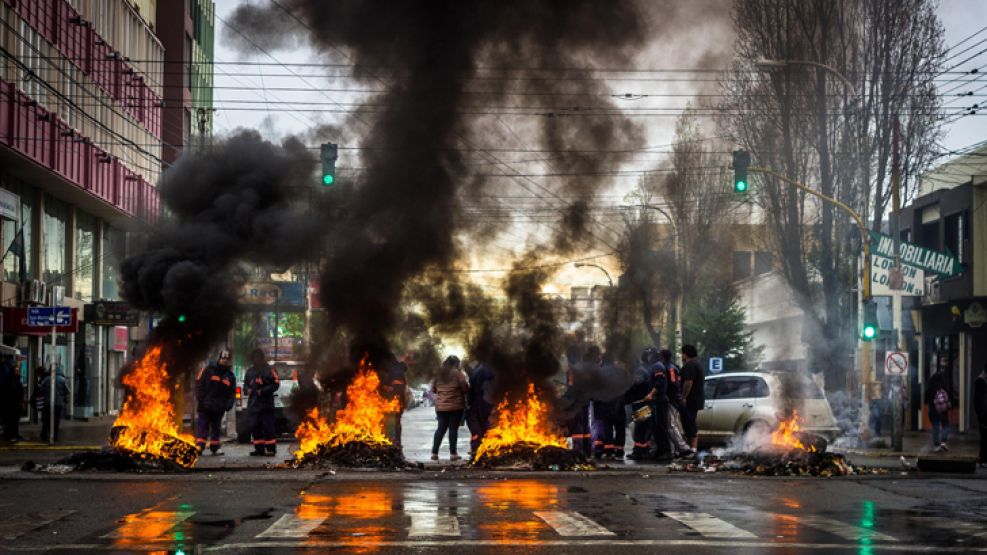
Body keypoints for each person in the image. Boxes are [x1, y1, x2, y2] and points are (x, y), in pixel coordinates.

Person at [194, 349, 236, 455]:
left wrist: (228, 404)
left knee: (216, 428)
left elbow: (232, 392)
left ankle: (215, 447)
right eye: (223, 358)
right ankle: (200, 447)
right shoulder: (208, 370)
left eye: (227, 359)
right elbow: (198, 384)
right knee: (202, 426)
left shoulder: (230, 376)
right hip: (205, 406)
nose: (224, 361)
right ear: (219, 358)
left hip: (219, 407)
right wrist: (201, 399)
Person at [430, 355, 469, 461]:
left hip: (441, 407)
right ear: (456, 363)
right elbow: (465, 388)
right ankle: (453, 454)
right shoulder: (458, 374)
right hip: (455, 406)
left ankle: (434, 453)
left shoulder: (438, 374)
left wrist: (442, 392)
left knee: (440, 429)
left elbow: (433, 389)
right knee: (453, 429)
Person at [244, 348, 280, 457]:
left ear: (262, 358)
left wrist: (263, 391)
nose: (256, 359)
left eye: (258, 357)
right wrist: (247, 390)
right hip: (253, 405)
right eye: (254, 357)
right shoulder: (249, 371)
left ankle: (271, 449)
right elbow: (245, 385)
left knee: (268, 427)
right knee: (255, 427)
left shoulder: (269, 370)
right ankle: (259, 449)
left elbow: (276, 383)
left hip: (266, 405)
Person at [660, 349, 693, 458]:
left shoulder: (670, 368)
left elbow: (674, 385)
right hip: (672, 400)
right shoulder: (671, 367)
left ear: (663, 357)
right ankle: (676, 450)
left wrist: (670, 398)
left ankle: (684, 449)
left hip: (672, 401)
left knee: (671, 425)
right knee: (670, 425)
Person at [626, 348, 656, 460]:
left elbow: (636, 384)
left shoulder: (639, 371)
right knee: (643, 428)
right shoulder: (642, 369)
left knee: (640, 428)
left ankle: (639, 452)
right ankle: (643, 450)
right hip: (642, 403)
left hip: (641, 404)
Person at [568, 346, 598, 457]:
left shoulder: (573, 370)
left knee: (577, 426)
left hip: (577, 402)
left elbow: (571, 388)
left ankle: (578, 450)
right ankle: (587, 450)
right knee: (586, 426)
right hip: (586, 400)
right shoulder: (587, 369)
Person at [646, 352, 672, 461]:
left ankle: (666, 451)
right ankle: (660, 451)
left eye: (649, 355)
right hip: (657, 402)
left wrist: (651, 394)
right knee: (657, 428)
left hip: (660, 401)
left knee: (661, 427)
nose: (648, 357)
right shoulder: (657, 366)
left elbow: (659, 382)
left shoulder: (657, 366)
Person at [466, 360, 495, 458]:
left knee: (477, 428)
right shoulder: (493, 370)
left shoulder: (477, 371)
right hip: (488, 403)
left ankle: (477, 450)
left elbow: (471, 389)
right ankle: (488, 450)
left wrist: (469, 403)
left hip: (477, 403)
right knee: (488, 427)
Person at [679, 344, 705, 451]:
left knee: (690, 424)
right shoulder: (697, 364)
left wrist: (684, 397)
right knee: (689, 423)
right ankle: (691, 448)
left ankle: (693, 449)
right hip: (696, 398)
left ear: (685, 354)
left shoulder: (690, 365)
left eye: (682, 353)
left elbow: (688, 382)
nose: (681, 356)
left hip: (691, 399)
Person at [925, 362, 952, 452]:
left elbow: (926, 399)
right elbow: (948, 397)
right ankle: (943, 441)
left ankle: (936, 445)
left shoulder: (930, 387)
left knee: (935, 426)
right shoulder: (943, 386)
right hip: (942, 410)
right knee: (946, 426)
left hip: (932, 409)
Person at [39, 367, 69, 443]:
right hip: (58, 403)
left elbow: (41, 390)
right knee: (56, 419)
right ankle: (54, 435)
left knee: (47, 418)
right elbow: (67, 391)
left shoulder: (46, 379)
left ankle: (48, 433)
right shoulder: (62, 379)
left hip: (47, 402)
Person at [1, 358, 24, 442]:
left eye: (18, 370)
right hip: (10, 405)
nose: (18, 372)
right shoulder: (10, 381)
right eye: (16, 370)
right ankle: (9, 435)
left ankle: (15, 434)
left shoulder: (16, 380)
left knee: (15, 421)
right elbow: (9, 392)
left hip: (16, 404)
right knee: (10, 421)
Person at [974, 365, 987, 468]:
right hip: (984, 415)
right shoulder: (981, 381)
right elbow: (978, 400)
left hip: (983, 413)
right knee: (985, 437)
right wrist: (981, 414)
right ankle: (983, 459)